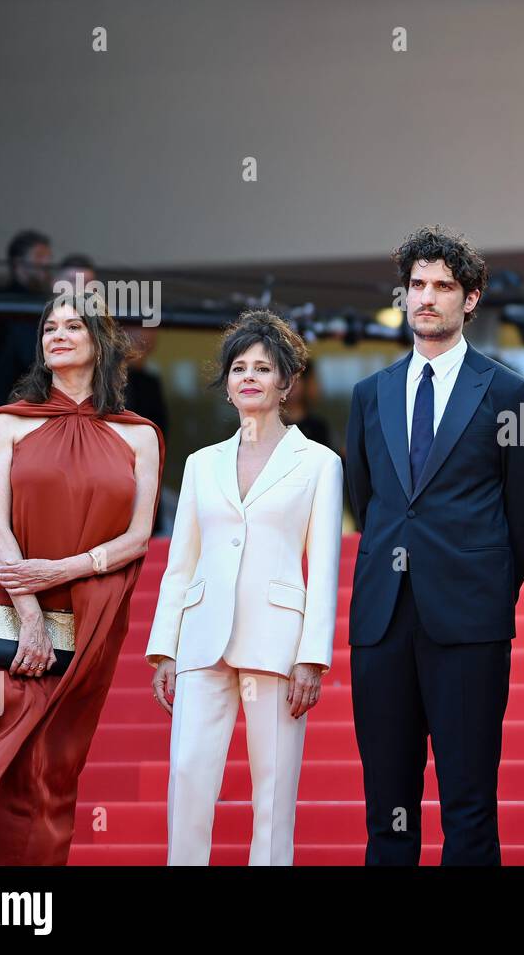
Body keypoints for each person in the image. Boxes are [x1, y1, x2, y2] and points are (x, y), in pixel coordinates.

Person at [0, 290, 164, 864]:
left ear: (100, 342)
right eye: (49, 327)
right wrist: (29, 611)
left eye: (72, 325)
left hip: (90, 615)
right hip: (10, 611)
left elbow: (137, 537)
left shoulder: (141, 435)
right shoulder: (5, 424)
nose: (56, 333)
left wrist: (64, 569)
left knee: (53, 767)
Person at [345, 225, 524, 865]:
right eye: (417, 286)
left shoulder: (511, 393)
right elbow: (366, 497)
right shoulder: (368, 394)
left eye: (443, 286)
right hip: (381, 620)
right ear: (403, 295)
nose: (427, 298)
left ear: (472, 298)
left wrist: (481, 588)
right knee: (388, 811)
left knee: (468, 807)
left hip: (468, 620)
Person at [146, 311, 342, 866]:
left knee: (273, 795)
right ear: (227, 385)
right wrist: (165, 648)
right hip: (202, 641)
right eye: (238, 368)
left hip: (277, 644)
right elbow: (180, 564)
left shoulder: (320, 464)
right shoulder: (201, 464)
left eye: (263, 367)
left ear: (286, 382)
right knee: (187, 778)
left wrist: (313, 657)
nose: (249, 377)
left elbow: (323, 567)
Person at [0, 229, 53, 412]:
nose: (47, 262)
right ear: (18, 263)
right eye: (40, 256)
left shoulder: (49, 305)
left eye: (48, 256)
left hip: (37, 399)